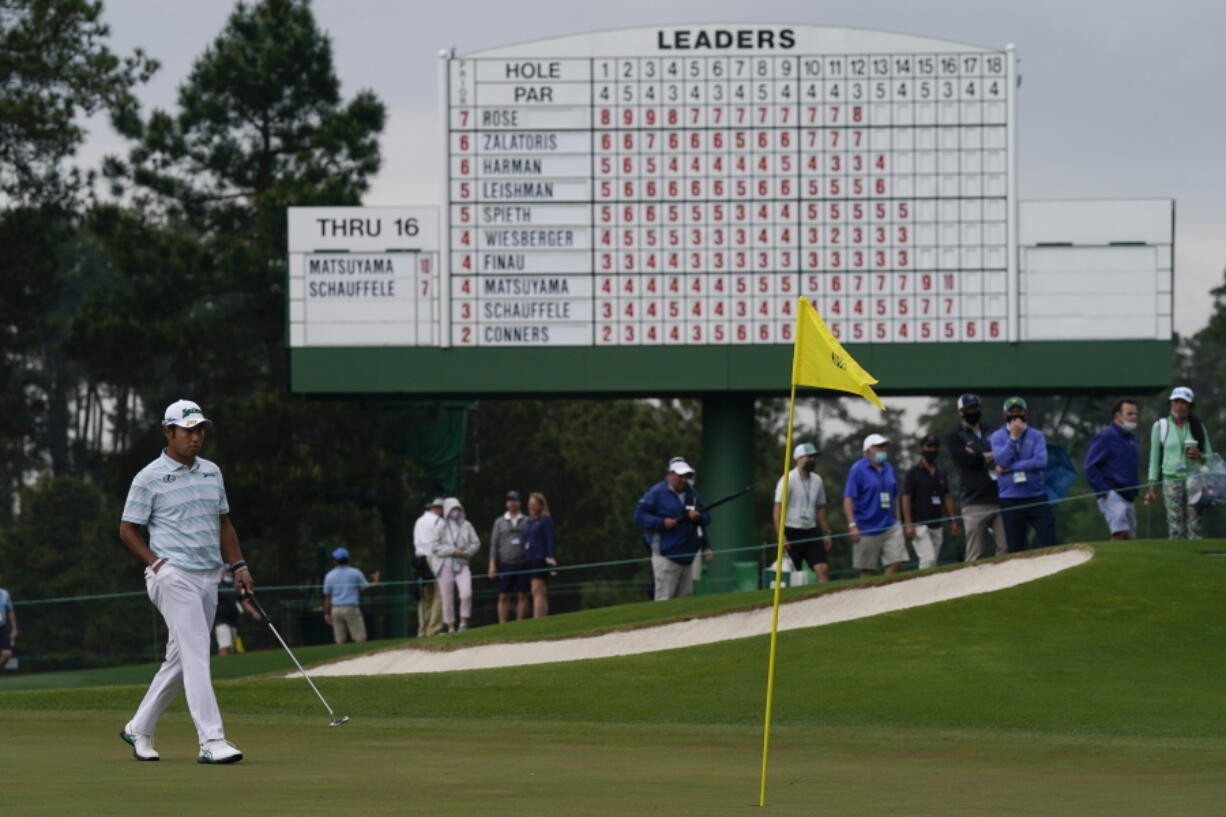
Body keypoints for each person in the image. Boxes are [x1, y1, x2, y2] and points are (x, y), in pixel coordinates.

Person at [118, 399, 252, 764]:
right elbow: (128, 529)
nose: (196, 438)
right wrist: (156, 564)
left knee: (180, 658)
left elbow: (224, 524)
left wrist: (238, 565)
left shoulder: (212, 472)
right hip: (172, 573)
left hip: (210, 575)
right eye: (188, 431)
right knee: (196, 653)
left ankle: (139, 727)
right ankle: (211, 740)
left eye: (200, 430)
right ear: (169, 432)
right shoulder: (148, 477)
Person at [635, 458, 712, 601]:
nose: (683, 480)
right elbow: (640, 516)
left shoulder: (692, 494)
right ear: (669, 475)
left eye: (686, 476)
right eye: (680, 476)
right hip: (666, 556)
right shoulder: (656, 493)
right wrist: (661, 523)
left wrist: (698, 518)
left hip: (687, 558)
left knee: (684, 602)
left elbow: (707, 518)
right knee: (664, 600)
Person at [1145, 386, 1213, 539]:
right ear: (1171, 404)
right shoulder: (1160, 427)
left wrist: (1200, 455)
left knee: (1195, 525)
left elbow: (1209, 456)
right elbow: (1154, 459)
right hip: (1171, 480)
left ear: (1190, 406)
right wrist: (1151, 486)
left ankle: (1195, 560)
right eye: (1176, 401)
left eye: (1184, 402)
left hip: (1195, 480)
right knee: (1175, 526)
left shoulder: (1198, 427)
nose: (1180, 406)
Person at [989, 397, 1056, 552]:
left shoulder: (1037, 435)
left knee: (1049, 540)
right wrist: (1013, 437)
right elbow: (1001, 460)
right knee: (1016, 547)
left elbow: (1040, 462)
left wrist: (1012, 468)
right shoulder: (997, 437)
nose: (1015, 414)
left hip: (1036, 495)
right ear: (1004, 414)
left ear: (1025, 413)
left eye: (1019, 411)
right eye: (1011, 411)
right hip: (1010, 498)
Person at [945, 393, 1006, 561]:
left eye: (976, 407)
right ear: (961, 411)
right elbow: (968, 460)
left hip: (999, 497)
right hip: (973, 501)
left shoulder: (993, 432)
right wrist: (989, 457)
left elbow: (1005, 454)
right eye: (969, 408)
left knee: (1006, 549)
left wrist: (980, 456)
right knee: (975, 553)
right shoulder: (955, 437)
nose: (973, 411)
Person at [843, 434, 907, 577]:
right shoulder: (857, 469)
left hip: (890, 525)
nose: (883, 450)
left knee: (897, 561)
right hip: (866, 527)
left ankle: (883, 591)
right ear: (868, 450)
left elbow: (895, 495)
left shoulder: (889, 467)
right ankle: (869, 597)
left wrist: (898, 518)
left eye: (884, 447)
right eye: (879, 447)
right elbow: (848, 499)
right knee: (867, 571)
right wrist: (852, 525)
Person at [773, 442, 833, 582]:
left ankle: (824, 601)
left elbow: (821, 507)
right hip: (791, 532)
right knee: (792, 576)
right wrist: (781, 536)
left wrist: (826, 532)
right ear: (798, 459)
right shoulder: (788, 479)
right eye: (809, 457)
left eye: (814, 457)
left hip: (811, 531)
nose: (812, 460)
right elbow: (778, 509)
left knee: (822, 569)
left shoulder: (818, 480)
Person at [1085, 399, 1142, 540]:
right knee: (1120, 534)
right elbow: (1090, 466)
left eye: (1135, 414)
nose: (1134, 417)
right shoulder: (1106, 436)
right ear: (1118, 417)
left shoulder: (1133, 438)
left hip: (1129, 494)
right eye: (1130, 414)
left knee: (1130, 537)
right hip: (1112, 493)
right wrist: (1104, 491)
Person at [902, 435, 960, 570]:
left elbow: (947, 497)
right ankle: (921, 589)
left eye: (934, 447)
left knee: (933, 562)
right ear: (921, 448)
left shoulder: (941, 472)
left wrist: (953, 521)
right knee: (928, 560)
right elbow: (906, 498)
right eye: (928, 447)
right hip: (919, 524)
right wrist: (908, 524)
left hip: (937, 523)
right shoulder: (913, 473)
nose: (932, 450)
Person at [432, 497, 480, 633]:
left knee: (466, 594)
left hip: (462, 563)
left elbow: (476, 543)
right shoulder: (440, 525)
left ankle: (464, 622)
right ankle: (451, 626)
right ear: (447, 510)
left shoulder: (467, 525)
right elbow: (435, 547)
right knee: (447, 597)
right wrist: (452, 550)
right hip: (445, 565)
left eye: (458, 509)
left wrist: (466, 553)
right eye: (453, 509)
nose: (456, 512)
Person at [322, 547, 380, 644]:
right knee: (359, 637)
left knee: (340, 640)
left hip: (335, 609)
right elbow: (365, 587)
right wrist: (375, 582)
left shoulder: (329, 575)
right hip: (351, 608)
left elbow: (327, 597)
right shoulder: (355, 572)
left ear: (335, 561)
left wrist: (327, 613)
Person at [489, 490, 530, 623]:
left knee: (522, 594)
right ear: (507, 503)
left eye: (515, 500)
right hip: (505, 563)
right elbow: (494, 544)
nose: (513, 503)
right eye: (510, 500)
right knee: (503, 595)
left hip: (522, 562)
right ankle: (502, 623)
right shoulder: (499, 522)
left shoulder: (526, 520)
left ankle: (520, 623)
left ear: (519, 503)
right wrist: (492, 564)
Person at [412, 497, 445, 637]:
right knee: (440, 594)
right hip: (434, 558)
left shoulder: (419, 521)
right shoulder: (439, 521)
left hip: (420, 559)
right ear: (437, 508)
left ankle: (423, 630)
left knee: (426, 597)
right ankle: (434, 629)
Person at [523, 492, 558, 617]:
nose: (530, 507)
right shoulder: (529, 522)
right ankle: (541, 618)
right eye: (529, 504)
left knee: (537, 590)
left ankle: (538, 619)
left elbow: (550, 539)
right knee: (537, 591)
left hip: (540, 558)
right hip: (530, 558)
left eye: (533, 504)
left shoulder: (546, 520)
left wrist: (551, 556)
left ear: (541, 506)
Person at [213, 568, 262, 655]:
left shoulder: (234, 586)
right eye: (227, 572)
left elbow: (242, 601)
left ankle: (227, 667)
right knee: (225, 646)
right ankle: (223, 667)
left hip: (233, 621)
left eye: (231, 572)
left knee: (231, 648)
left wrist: (253, 612)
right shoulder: (217, 586)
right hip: (220, 621)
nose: (229, 574)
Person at [0, 585, 16, 670]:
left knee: (7, 654)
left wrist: (14, 629)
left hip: (2, 628)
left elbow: (10, 611)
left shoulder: (4, 594)